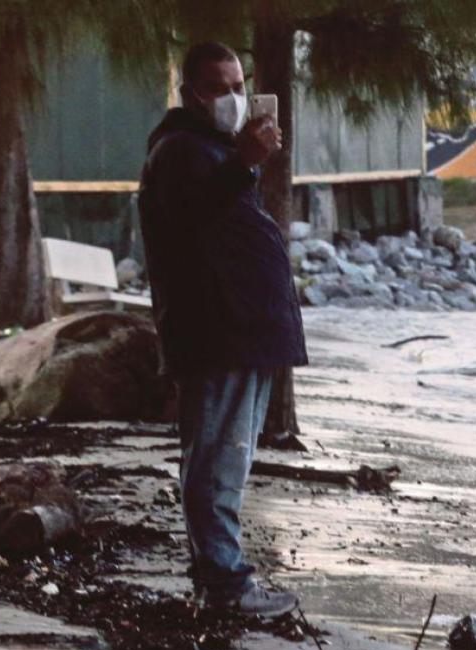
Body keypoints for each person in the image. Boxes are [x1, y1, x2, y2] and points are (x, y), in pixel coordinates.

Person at [137, 40, 306, 618]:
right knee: (215, 461)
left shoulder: (212, 149)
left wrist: (241, 161)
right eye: (219, 88)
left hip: (240, 330)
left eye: (240, 86)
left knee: (225, 458)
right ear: (190, 93)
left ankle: (221, 578)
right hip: (216, 332)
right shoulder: (183, 149)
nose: (233, 98)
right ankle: (225, 586)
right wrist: (244, 163)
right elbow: (189, 221)